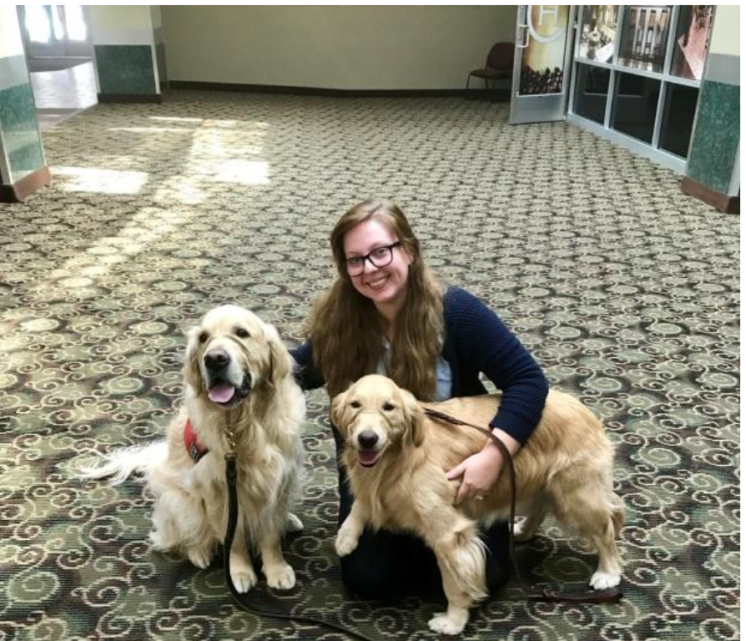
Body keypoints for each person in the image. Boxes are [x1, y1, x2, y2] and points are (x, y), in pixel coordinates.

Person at [290, 199, 549, 599]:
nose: (370, 269)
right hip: (372, 468)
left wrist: (493, 455)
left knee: (483, 576)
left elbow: (528, 382)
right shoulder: (339, 324)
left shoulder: (455, 311)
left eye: (380, 252)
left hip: (453, 467)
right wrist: (218, 394)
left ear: (408, 250)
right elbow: (290, 372)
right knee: (371, 581)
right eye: (355, 260)